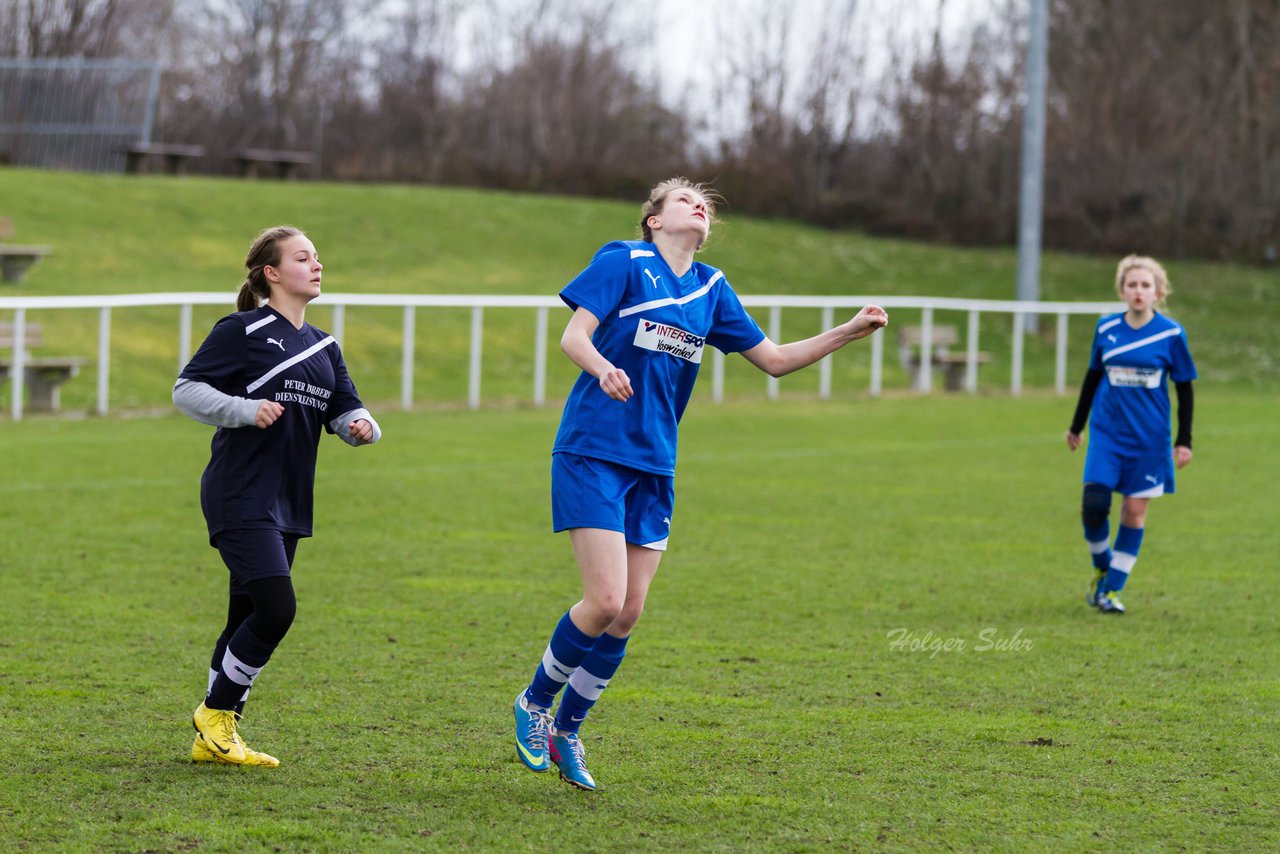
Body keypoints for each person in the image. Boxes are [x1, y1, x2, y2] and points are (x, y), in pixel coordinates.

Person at [512, 177, 889, 791]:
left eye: (705, 204)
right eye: (685, 199)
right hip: (593, 450)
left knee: (628, 613)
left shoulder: (712, 288)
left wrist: (848, 330)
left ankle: (569, 730)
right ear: (654, 220)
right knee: (604, 600)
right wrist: (605, 368)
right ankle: (534, 704)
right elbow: (573, 336)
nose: (700, 206)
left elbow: (774, 360)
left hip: (656, 463)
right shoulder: (624, 260)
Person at [174, 226, 382, 766]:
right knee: (277, 607)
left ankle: (214, 738)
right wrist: (246, 410)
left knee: (242, 615)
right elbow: (188, 389)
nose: (317, 266)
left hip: (289, 500)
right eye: (303, 257)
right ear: (272, 273)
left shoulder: (324, 346)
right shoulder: (241, 330)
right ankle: (216, 714)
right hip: (239, 492)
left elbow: (346, 409)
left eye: (318, 257)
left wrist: (362, 427)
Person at [1066, 254, 1196, 614]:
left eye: (1145, 285)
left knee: (1133, 512)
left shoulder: (1171, 333)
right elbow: (1093, 377)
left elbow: (1184, 387)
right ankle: (1103, 566)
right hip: (1107, 434)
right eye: (1132, 284)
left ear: (1158, 291)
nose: (1139, 291)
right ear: (1122, 291)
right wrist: (1077, 426)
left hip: (1150, 440)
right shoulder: (1106, 328)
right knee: (1094, 506)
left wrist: (1184, 440)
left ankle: (1111, 590)